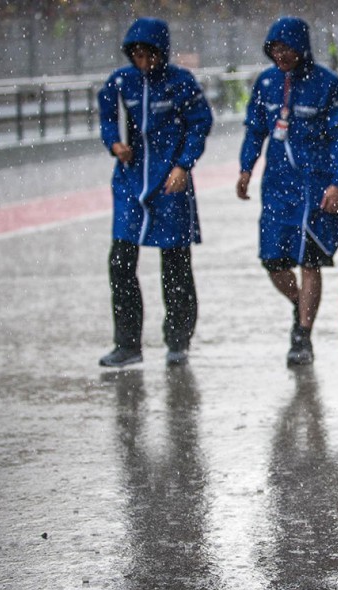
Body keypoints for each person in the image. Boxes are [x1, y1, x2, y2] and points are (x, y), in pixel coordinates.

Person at [96, 17, 214, 367]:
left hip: (169, 184)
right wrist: (114, 143)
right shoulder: (120, 82)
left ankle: (178, 340)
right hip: (131, 184)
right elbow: (106, 117)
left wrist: (183, 164)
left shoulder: (181, 83)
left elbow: (200, 123)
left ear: (161, 52)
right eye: (137, 55)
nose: (144, 62)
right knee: (120, 262)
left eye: (149, 54)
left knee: (175, 264)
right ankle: (127, 344)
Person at [236, 16, 338, 366]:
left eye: (287, 48)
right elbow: (255, 128)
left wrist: (335, 182)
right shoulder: (267, 83)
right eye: (275, 49)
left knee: (310, 259)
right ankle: (301, 304)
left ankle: (302, 334)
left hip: (317, 186)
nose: (281, 55)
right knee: (273, 260)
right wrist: (246, 168)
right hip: (278, 186)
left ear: (302, 47)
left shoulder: (327, 85)